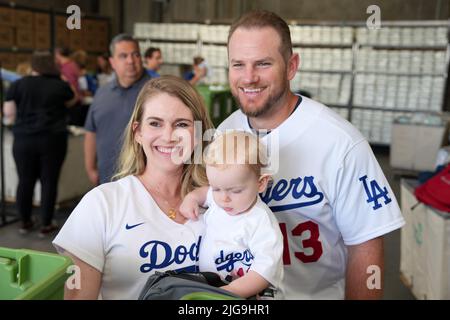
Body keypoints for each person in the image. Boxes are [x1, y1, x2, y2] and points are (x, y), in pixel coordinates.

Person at [217, 10, 405, 299]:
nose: (249, 77)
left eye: (263, 63)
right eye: (238, 64)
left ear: (291, 66)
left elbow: (366, 248)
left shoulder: (341, 142)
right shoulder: (224, 133)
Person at [53, 75, 214, 299]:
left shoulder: (221, 202)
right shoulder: (102, 204)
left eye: (182, 124)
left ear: (197, 134)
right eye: (155, 123)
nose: (168, 137)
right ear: (138, 132)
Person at [180, 131, 283, 299]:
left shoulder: (260, 220)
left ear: (261, 183)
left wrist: (230, 292)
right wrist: (191, 198)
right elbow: (204, 193)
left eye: (235, 191)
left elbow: (265, 270)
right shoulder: (218, 199)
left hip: (246, 296)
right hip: (214, 289)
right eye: (216, 188)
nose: (224, 198)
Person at [3, 51, 77, 237]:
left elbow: (9, 114)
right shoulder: (60, 85)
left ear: (32, 65)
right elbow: (74, 99)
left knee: (25, 180)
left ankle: (25, 222)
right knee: (48, 181)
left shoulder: (18, 84)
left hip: (23, 139)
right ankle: (46, 223)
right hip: (52, 139)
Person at [84, 34, 150, 185]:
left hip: (143, 183)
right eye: (123, 56)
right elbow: (91, 131)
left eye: (135, 55)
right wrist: (90, 168)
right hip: (106, 179)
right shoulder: (102, 92)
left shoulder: (155, 91)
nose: (130, 61)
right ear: (112, 62)